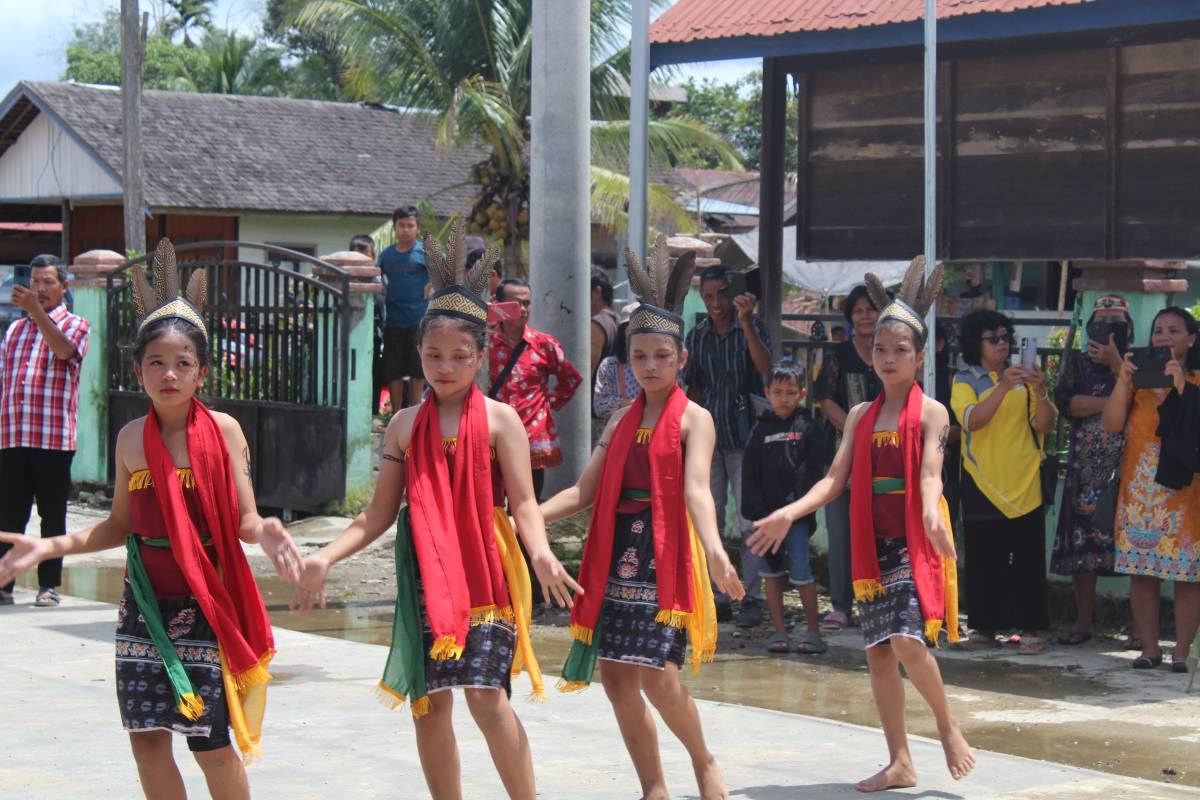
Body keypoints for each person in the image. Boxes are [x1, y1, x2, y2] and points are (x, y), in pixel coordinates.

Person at [289, 220, 581, 797]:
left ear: (479, 356)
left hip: (485, 573)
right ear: (418, 352)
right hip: (425, 574)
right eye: (433, 355)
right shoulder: (402, 426)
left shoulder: (501, 420)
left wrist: (542, 555)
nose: (444, 367)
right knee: (429, 707)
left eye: (458, 356)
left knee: (486, 701)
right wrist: (325, 558)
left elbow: (523, 503)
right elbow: (375, 516)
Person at [0, 240, 301, 797]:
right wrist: (48, 547)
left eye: (182, 364)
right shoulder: (130, 440)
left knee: (209, 740)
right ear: (138, 370)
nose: (169, 374)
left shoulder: (225, 432)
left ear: (202, 372)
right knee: (146, 739)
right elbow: (118, 525)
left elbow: (244, 520)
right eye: (156, 363)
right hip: (142, 604)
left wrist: (269, 532)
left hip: (206, 600)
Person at [749, 257, 973, 793]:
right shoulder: (858, 415)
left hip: (917, 537)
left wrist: (926, 510)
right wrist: (789, 511)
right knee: (876, 653)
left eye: (900, 350)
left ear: (919, 356)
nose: (888, 357)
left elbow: (930, 476)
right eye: (880, 349)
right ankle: (900, 761)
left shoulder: (933, 412)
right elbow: (833, 481)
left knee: (907, 644)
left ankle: (947, 728)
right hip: (872, 543)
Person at [541, 235, 742, 800]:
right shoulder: (619, 420)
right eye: (639, 356)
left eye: (661, 356)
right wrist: (521, 517)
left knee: (659, 676)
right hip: (614, 553)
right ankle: (653, 786)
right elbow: (584, 491)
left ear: (681, 358)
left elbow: (699, 492)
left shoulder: (695, 418)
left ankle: (703, 760)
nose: (650, 366)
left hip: (666, 552)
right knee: (615, 676)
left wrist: (718, 550)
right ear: (627, 361)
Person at [951, 309, 1056, 653]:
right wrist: (1003, 387)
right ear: (975, 343)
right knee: (984, 559)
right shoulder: (964, 379)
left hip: (1025, 479)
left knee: (1027, 560)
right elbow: (972, 422)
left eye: (1004, 337)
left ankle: (1030, 629)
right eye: (992, 338)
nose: (1001, 344)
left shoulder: (1024, 381)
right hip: (983, 481)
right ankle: (983, 627)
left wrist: (1038, 390)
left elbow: (1044, 424)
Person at [1102, 306, 1200, 673]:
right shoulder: (1139, 381)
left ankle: (1182, 652)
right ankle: (1149, 649)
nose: (1164, 336)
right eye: (1158, 330)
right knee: (1142, 572)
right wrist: (1123, 382)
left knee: (1187, 575)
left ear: (1191, 338)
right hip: (1139, 492)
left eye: (1174, 330)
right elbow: (1112, 424)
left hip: (1185, 492)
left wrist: (1181, 388)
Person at [682, 266, 772, 627]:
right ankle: (717, 595)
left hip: (746, 436)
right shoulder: (698, 335)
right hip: (708, 440)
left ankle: (751, 596)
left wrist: (747, 322)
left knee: (752, 522)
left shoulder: (751, 326)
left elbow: (765, 369)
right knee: (710, 518)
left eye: (721, 294)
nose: (716, 303)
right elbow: (692, 386)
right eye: (708, 296)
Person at [0, 254, 89, 607]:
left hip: (52, 440)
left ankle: (48, 586)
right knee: (8, 516)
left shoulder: (75, 325)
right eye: (35, 281)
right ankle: (4, 584)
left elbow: (64, 351)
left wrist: (37, 312)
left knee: (52, 516)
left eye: (48, 282)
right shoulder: (14, 331)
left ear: (64, 287)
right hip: (12, 437)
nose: (39, 288)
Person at [1051, 295, 1133, 645]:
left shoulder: (1138, 361)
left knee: (1133, 550)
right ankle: (1083, 623)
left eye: (1116, 323)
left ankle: (1138, 629)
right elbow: (1068, 404)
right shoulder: (1077, 364)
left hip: (1127, 468)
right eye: (1102, 323)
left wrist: (1117, 366)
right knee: (1082, 549)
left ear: (1128, 328)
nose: (1109, 330)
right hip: (1084, 470)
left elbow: (1142, 401)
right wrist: (1113, 401)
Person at [810, 284, 886, 632]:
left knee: (880, 530)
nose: (866, 316)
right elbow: (824, 400)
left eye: (871, 309)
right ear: (851, 317)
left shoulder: (890, 353)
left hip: (886, 456)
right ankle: (841, 605)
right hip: (842, 454)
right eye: (858, 311)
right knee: (840, 531)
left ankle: (877, 601)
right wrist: (858, 434)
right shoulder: (838, 354)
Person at [740, 360, 825, 655]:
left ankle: (814, 632)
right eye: (778, 392)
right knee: (770, 574)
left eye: (791, 392)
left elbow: (813, 472)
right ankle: (779, 632)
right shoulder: (758, 431)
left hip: (796, 518)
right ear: (767, 392)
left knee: (801, 570)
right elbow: (748, 475)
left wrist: (794, 509)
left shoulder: (808, 427)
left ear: (801, 393)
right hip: (765, 520)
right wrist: (760, 513)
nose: (784, 398)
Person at [489, 278, 583, 500]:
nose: (522, 309)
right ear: (498, 304)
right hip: (491, 436)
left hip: (532, 438)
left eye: (527, 303)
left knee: (526, 503)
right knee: (491, 504)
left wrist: (545, 405)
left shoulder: (544, 344)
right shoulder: (483, 344)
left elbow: (570, 379)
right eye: (515, 303)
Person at [378, 206, 429, 409]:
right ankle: (396, 415)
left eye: (410, 225)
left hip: (419, 319)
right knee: (394, 371)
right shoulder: (387, 255)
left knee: (417, 371)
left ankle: (415, 413)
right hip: (393, 320)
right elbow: (375, 277)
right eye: (401, 225)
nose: (405, 230)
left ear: (417, 228)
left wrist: (430, 286)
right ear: (394, 228)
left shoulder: (424, 252)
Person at [592, 302, 640, 426]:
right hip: (619, 437)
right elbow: (600, 405)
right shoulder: (609, 365)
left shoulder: (664, 364)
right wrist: (634, 403)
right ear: (624, 330)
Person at [591, 266, 620, 377]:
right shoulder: (616, 318)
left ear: (597, 292)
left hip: (594, 392)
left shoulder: (596, 324)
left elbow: (587, 370)